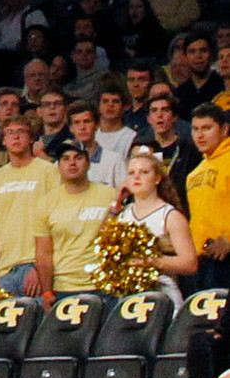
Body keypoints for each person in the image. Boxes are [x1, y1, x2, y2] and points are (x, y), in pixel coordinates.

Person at [107, 150, 197, 308]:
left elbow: (190, 263)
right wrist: (116, 202)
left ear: (157, 178)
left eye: (144, 172)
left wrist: (149, 261)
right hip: (129, 296)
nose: (136, 177)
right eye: (131, 173)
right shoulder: (123, 214)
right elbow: (103, 243)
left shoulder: (170, 216)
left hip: (163, 295)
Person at [0, 117, 60, 295]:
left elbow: (57, 221)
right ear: (3, 140)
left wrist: (42, 267)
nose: (16, 137)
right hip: (5, 271)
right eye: (10, 133)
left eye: (21, 132)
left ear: (31, 138)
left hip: (36, 265)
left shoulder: (48, 171)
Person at [39, 141, 117, 298]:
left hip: (104, 285)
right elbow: (43, 253)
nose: (72, 163)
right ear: (58, 166)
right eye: (65, 159)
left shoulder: (110, 195)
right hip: (63, 287)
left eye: (78, 157)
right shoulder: (46, 202)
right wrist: (47, 292)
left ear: (88, 163)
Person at [183, 104, 230, 291]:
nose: (200, 135)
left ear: (225, 129)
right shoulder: (194, 173)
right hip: (202, 263)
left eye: (207, 128)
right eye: (195, 129)